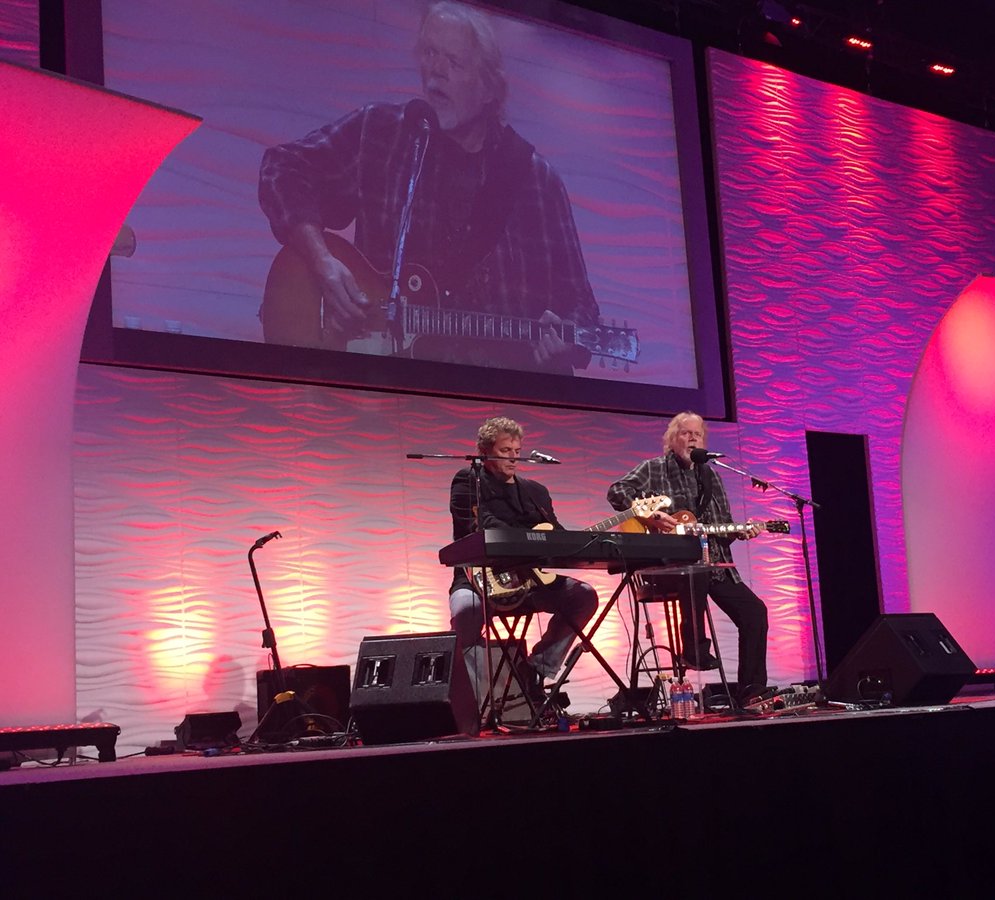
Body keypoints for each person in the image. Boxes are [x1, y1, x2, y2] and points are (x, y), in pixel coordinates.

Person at [258, 1, 600, 374]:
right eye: (430, 54)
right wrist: (322, 263)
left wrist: (563, 342)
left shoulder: (536, 181)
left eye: (453, 62)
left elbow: (582, 312)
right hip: (387, 396)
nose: (435, 74)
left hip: (498, 403)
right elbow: (283, 169)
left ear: (489, 88)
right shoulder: (384, 133)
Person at [607, 411, 771, 706]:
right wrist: (651, 515)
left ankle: (751, 689)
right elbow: (616, 490)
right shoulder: (654, 469)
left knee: (755, 612)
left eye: (697, 434)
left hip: (713, 565)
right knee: (697, 570)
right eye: (685, 433)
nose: (692, 438)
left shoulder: (712, 476)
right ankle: (693, 648)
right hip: (666, 565)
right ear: (672, 440)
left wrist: (742, 532)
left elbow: (723, 527)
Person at [448, 416, 598, 706]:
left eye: (517, 451)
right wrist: (529, 539)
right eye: (506, 451)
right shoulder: (468, 481)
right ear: (484, 452)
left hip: (530, 582)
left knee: (584, 596)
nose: (514, 458)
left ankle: (535, 671)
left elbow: (556, 533)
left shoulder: (535, 492)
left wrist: (580, 542)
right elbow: (482, 524)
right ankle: (475, 699)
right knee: (466, 610)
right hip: (478, 580)